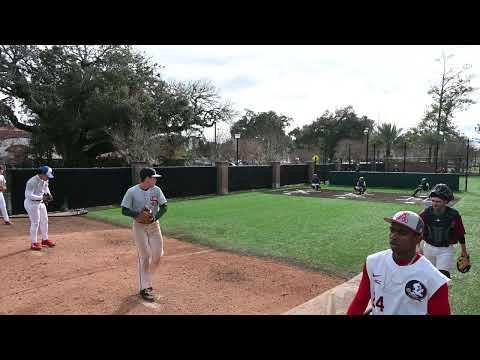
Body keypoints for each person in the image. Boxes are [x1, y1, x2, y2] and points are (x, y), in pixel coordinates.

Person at [347, 210, 450, 315]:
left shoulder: (435, 280)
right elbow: (360, 301)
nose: (393, 236)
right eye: (392, 230)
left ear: (418, 238)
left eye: (402, 232)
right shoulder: (373, 262)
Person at [121, 167, 168, 302]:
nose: (155, 179)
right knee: (145, 255)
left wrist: (155, 217)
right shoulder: (132, 192)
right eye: (154, 177)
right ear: (147, 179)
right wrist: (137, 214)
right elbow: (124, 210)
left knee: (158, 254)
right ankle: (144, 287)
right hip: (139, 227)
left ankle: (147, 278)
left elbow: (165, 206)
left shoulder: (156, 190)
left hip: (154, 226)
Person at [419, 184, 468, 279]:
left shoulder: (453, 215)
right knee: (428, 277)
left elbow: (460, 233)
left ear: (446, 201)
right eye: (433, 200)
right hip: (428, 248)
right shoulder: (425, 213)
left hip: (445, 250)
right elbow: (417, 230)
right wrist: (417, 247)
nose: (434, 204)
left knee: (443, 277)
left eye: (438, 201)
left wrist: (464, 251)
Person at [24, 166, 55, 250]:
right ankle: (33, 243)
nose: (48, 177)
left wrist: (49, 194)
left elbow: (45, 187)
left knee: (45, 220)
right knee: (35, 222)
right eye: (47, 175)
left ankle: (45, 240)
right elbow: (28, 195)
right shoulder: (31, 181)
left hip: (40, 203)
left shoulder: (45, 180)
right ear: (42, 174)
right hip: (31, 204)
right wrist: (42, 198)